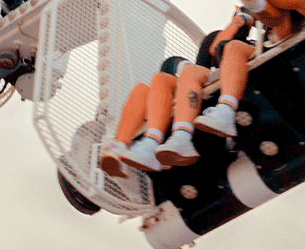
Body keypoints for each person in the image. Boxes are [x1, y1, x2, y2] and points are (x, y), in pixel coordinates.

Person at [99, 15, 254, 175]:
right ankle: (122, 146)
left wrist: (240, 18)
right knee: (147, 85)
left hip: (210, 75)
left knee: (184, 72)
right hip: (187, 86)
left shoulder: (228, 48)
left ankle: (157, 139)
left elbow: (216, 47)